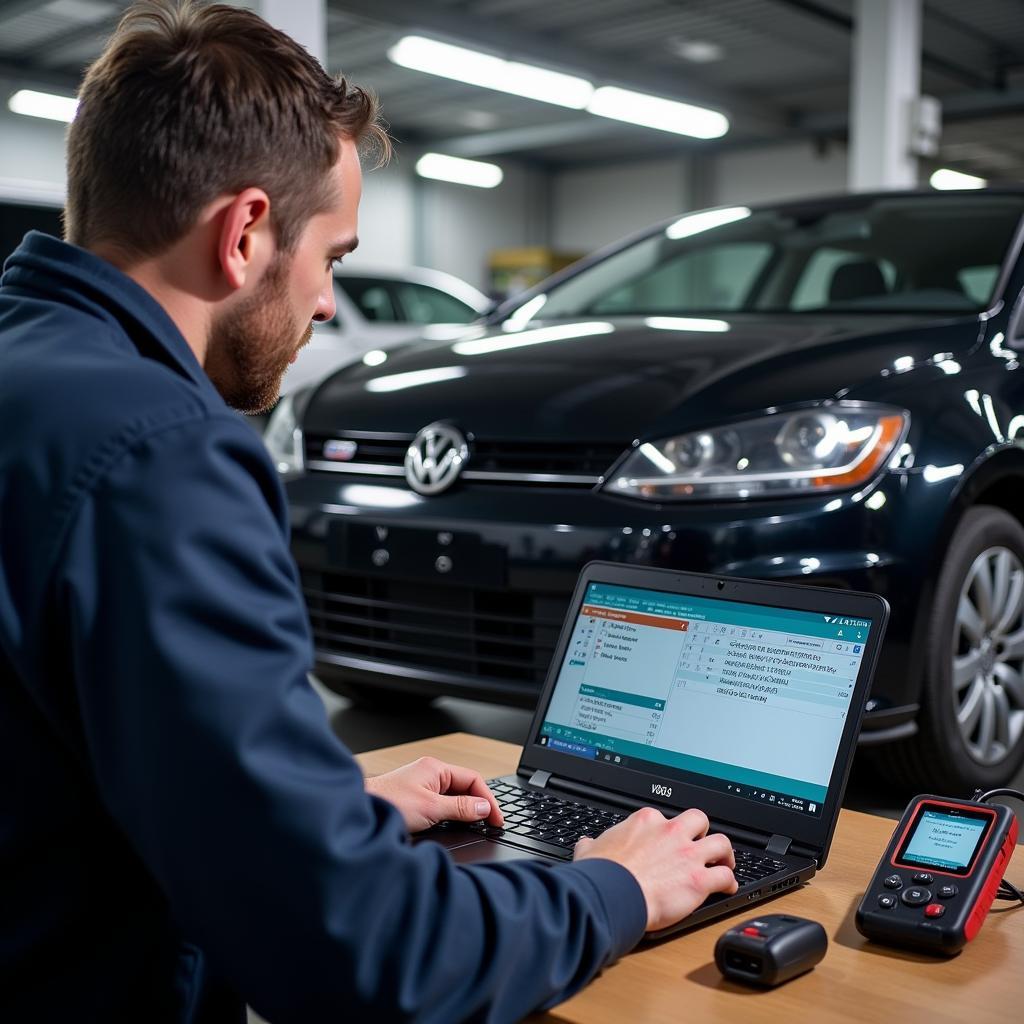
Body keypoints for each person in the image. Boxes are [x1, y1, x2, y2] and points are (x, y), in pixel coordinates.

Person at [0, 3, 737, 1021]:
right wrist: (614, 886)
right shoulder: (161, 452)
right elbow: (356, 951)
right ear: (245, 231)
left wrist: (320, 815)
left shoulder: (27, 377)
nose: (324, 306)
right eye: (333, 258)